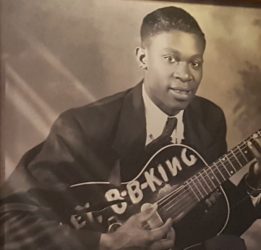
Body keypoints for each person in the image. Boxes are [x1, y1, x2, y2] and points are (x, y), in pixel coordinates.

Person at [1, 6, 261, 250]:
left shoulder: (208, 120)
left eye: (195, 62)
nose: (186, 74)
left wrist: (254, 181)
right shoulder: (83, 127)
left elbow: (216, 220)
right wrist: (109, 241)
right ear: (143, 57)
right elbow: (8, 223)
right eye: (171, 58)